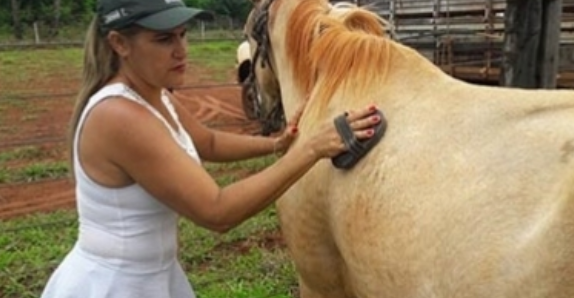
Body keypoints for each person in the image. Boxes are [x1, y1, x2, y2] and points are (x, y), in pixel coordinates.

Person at [39, 0, 383, 297]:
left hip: (151, 275)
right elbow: (217, 212)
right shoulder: (118, 116)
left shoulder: (154, 96)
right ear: (119, 43)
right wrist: (309, 150)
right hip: (115, 284)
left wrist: (275, 144)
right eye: (162, 39)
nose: (180, 50)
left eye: (182, 35)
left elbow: (208, 142)